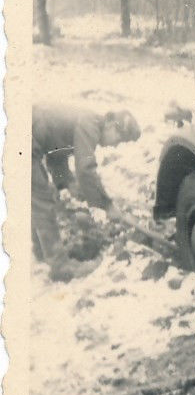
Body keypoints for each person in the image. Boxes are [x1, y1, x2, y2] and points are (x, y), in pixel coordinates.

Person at [32, 103, 141, 278]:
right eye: (119, 140)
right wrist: (107, 205)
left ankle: (43, 252)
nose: (114, 146)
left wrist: (66, 182)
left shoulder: (86, 121)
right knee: (43, 201)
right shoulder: (91, 123)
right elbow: (85, 168)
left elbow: (56, 152)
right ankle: (61, 267)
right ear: (112, 125)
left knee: (36, 199)